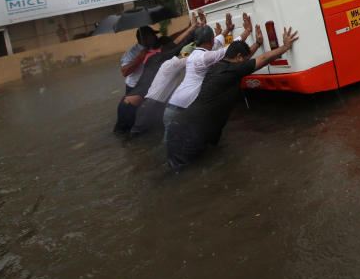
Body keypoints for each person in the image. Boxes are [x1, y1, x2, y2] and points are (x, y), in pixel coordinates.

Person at [166, 24, 299, 170]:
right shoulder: (230, 71)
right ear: (239, 57)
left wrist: (258, 43)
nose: (245, 64)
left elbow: (246, 61)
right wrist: (285, 47)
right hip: (189, 132)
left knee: (188, 172)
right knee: (183, 173)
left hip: (185, 126)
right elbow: (264, 58)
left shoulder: (218, 68)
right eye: (244, 60)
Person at [162, 12, 247, 131]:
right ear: (210, 40)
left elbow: (217, 42)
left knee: (172, 144)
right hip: (183, 109)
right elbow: (229, 48)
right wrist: (247, 31)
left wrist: (227, 29)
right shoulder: (204, 57)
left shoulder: (192, 55)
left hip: (171, 106)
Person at [114, 21, 198, 134]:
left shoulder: (154, 54)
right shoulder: (148, 56)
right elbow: (124, 71)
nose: (156, 37)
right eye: (153, 35)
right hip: (132, 98)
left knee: (138, 131)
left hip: (140, 95)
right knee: (126, 134)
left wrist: (189, 28)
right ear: (145, 39)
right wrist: (139, 58)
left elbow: (174, 41)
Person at [128, 41, 196, 138]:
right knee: (138, 136)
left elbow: (186, 56)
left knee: (146, 137)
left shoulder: (170, 63)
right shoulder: (173, 64)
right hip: (151, 106)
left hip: (150, 105)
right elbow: (194, 58)